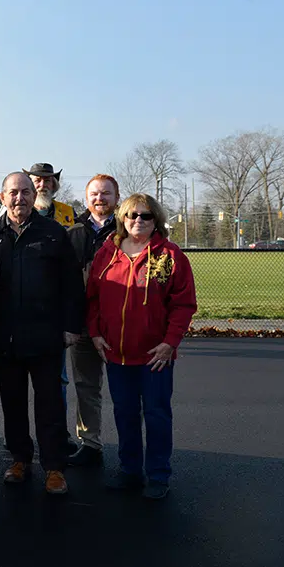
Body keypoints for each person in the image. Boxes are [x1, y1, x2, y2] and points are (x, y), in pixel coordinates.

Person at [86, 194, 196, 500]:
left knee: (157, 414)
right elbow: (92, 298)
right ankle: (130, 470)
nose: (138, 220)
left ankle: (158, 474)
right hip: (117, 354)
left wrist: (169, 343)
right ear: (122, 217)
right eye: (132, 215)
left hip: (154, 356)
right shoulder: (107, 253)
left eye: (145, 216)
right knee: (125, 413)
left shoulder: (170, 255)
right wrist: (95, 334)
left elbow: (183, 304)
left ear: (155, 219)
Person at [0, 172, 83, 495]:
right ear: (2, 198)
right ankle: (19, 459)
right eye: (13, 192)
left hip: (45, 336)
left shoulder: (53, 233)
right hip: (4, 337)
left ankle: (54, 467)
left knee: (50, 405)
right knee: (12, 404)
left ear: (33, 195)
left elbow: (72, 284)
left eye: (26, 192)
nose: (20, 198)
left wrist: (71, 326)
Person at [66, 174, 120, 468]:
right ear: (87, 198)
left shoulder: (128, 230)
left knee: (127, 388)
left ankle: (132, 447)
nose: (100, 199)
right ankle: (90, 442)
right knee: (86, 385)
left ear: (116, 197)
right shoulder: (74, 232)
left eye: (106, 194)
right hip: (84, 321)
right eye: (95, 194)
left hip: (119, 323)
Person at [26, 162, 79, 453]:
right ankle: (21, 438)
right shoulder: (7, 212)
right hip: (22, 309)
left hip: (54, 306)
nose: (42, 185)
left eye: (47, 180)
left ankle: (59, 435)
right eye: (37, 180)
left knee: (57, 379)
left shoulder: (67, 213)